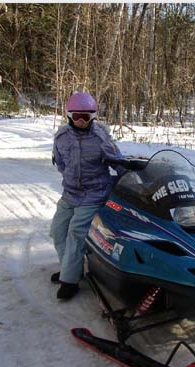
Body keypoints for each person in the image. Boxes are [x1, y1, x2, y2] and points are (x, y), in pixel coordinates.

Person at [49, 92, 127, 300]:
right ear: (69, 116)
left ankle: (70, 281)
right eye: (77, 117)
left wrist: (132, 179)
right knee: (57, 232)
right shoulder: (62, 137)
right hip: (70, 194)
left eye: (86, 116)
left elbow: (118, 163)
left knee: (76, 234)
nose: (82, 121)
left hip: (94, 194)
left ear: (93, 116)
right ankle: (72, 269)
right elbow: (61, 163)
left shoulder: (101, 139)